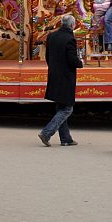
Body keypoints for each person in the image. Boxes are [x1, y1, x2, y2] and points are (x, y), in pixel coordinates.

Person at [38, 15, 82, 146]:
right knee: (67, 108)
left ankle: (66, 139)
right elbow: (72, 60)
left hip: (54, 74)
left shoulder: (51, 36)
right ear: (72, 25)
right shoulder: (70, 39)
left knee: (61, 106)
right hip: (65, 76)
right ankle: (46, 132)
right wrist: (80, 63)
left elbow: (47, 56)